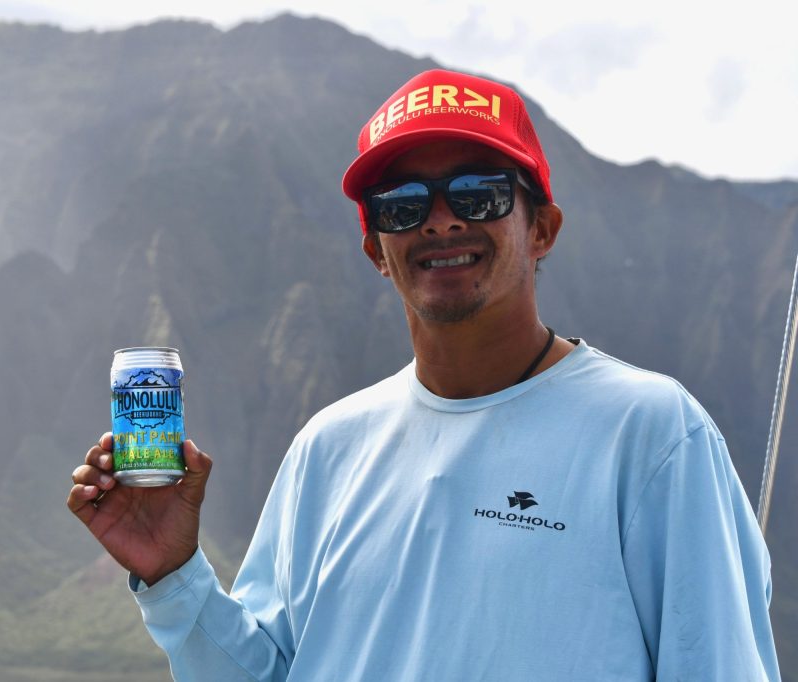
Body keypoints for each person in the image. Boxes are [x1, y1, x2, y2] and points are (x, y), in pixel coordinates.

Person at [68, 69, 781, 680]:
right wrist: (172, 575)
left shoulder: (651, 435)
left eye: (478, 193)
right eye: (403, 205)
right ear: (378, 249)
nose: (440, 222)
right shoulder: (330, 448)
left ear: (541, 229)